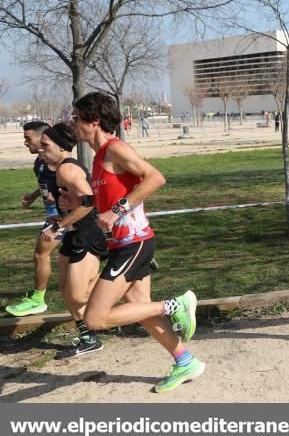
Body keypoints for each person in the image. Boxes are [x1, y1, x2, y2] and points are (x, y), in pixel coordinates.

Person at [72, 92, 203, 393]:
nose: (72, 122)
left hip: (135, 243)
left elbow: (155, 177)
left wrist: (115, 210)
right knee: (139, 309)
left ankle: (176, 304)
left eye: (76, 117)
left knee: (95, 318)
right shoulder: (97, 157)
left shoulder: (114, 148)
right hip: (123, 245)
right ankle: (185, 361)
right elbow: (112, 194)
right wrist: (85, 204)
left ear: (94, 121)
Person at [38, 123, 108, 357]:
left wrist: (59, 225)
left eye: (45, 144)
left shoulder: (67, 169)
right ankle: (89, 338)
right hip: (74, 233)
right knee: (66, 291)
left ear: (60, 146)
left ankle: (124, 278)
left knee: (78, 295)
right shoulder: (60, 169)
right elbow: (79, 200)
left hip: (86, 234)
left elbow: (91, 200)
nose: (40, 148)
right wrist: (63, 210)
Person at [5, 122, 62, 317]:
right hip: (55, 215)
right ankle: (132, 259)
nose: (25, 142)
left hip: (64, 216)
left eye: (28, 138)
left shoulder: (56, 161)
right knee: (79, 258)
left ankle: (38, 300)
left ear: (43, 138)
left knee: (41, 253)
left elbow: (75, 184)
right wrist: (34, 194)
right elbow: (47, 184)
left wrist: (60, 201)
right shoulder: (39, 161)